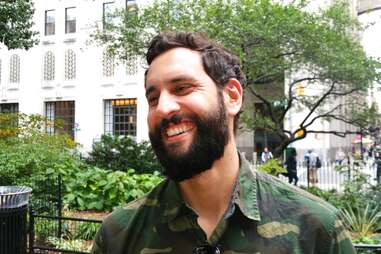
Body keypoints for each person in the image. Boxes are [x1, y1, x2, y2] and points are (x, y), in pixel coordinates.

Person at [91, 32, 355, 254]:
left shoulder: (317, 231)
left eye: (182, 88)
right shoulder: (118, 235)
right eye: (153, 98)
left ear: (232, 96)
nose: (163, 108)